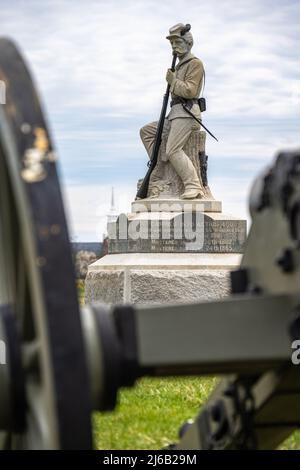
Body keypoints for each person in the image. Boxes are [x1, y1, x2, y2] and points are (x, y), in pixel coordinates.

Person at [140, 23, 205, 199]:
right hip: (175, 113)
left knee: (173, 150)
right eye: (172, 44)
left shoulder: (195, 64)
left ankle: (193, 185)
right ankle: (160, 166)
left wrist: (173, 80)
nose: (174, 47)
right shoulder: (180, 65)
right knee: (147, 131)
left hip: (187, 113)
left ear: (187, 43)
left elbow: (190, 91)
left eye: (177, 42)